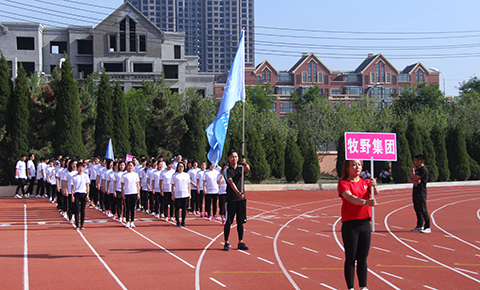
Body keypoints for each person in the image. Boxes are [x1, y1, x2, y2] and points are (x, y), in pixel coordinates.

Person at [338, 159, 379, 290]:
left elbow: (375, 193)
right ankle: (350, 287)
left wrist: (375, 185)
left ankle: (363, 286)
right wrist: (365, 203)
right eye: (354, 165)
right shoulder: (343, 183)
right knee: (351, 257)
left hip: (365, 223)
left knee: (362, 258)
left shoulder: (366, 182)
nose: (357, 167)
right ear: (347, 167)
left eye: (360, 165)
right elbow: (349, 198)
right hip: (350, 224)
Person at [223, 149, 250, 251]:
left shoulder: (241, 168)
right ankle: (226, 242)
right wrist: (238, 193)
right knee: (229, 221)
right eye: (232, 157)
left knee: (240, 222)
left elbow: (247, 169)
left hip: (241, 199)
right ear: (229, 158)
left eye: (236, 157)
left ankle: (241, 242)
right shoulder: (227, 170)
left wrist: (245, 163)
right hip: (231, 199)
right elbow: (231, 183)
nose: (234, 159)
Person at [409, 154, 431, 233]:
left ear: (419, 161)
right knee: (417, 209)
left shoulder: (423, 170)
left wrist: (412, 171)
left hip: (421, 192)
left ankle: (427, 226)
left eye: (415, 160)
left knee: (423, 209)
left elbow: (415, 178)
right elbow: (411, 179)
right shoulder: (417, 170)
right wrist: (414, 178)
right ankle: (419, 225)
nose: (414, 162)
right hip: (415, 191)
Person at [71, 162, 90, 230]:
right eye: (79, 167)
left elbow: (87, 185)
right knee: (76, 209)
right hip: (77, 194)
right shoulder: (74, 177)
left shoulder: (85, 176)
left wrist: (87, 194)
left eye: (82, 167)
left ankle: (82, 224)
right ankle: (77, 224)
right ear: (77, 168)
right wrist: (72, 196)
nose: (81, 169)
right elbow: (72, 187)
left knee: (83, 209)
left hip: (83, 193)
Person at [121, 161, 140, 228]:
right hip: (127, 193)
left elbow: (138, 185)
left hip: (134, 192)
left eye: (131, 165)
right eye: (129, 165)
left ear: (133, 167)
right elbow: (122, 185)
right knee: (127, 208)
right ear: (127, 166)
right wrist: (122, 194)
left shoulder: (135, 175)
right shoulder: (124, 175)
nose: (130, 167)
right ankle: (127, 221)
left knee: (133, 208)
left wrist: (138, 193)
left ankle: (132, 221)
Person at [171, 162, 191, 227]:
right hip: (177, 194)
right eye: (179, 166)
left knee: (184, 209)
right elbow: (172, 186)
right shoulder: (174, 175)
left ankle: (183, 221)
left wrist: (189, 194)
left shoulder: (186, 175)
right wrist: (172, 194)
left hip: (185, 194)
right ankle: (177, 222)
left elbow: (188, 185)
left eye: (182, 166)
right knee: (177, 208)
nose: (180, 168)